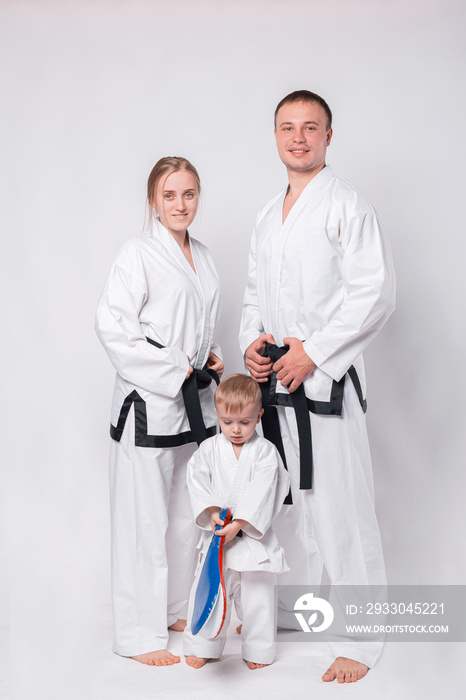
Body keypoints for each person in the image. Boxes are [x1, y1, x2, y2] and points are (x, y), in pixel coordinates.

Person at [239, 90, 396, 683]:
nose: (298, 137)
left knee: (341, 507)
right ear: (275, 135)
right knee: (285, 505)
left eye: (311, 127)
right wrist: (255, 342)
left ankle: (361, 638)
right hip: (278, 382)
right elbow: (256, 293)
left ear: (330, 136)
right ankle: (296, 613)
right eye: (287, 127)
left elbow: (374, 293)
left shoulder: (346, 205)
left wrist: (315, 352)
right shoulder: (265, 213)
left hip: (324, 383)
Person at [95, 156, 223, 667]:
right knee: (141, 521)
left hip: (192, 406)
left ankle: (172, 608)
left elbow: (196, 322)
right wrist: (174, 371)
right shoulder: (137, 253)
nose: (179, 204)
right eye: (169, 196)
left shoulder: (205, 256)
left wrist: (205, 357)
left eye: (188, 194)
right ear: (153, 200)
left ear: (198, 197)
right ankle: (137, 634)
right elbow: (114, 329)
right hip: (148, 403)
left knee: (182, 517)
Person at [183, 374, 290, 669]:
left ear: (259, 415)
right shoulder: (208, 450)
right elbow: (196, 481)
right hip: (218, 536)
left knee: (259, 597)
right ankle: (203, 645)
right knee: (209, 591)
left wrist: (240, 522)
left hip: (252, 539)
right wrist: (213, 511)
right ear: (217, 414)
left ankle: (257, 650)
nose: (236, 429)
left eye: (245, 422)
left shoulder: (266, 453)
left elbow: (265, 489)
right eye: (228, 422)